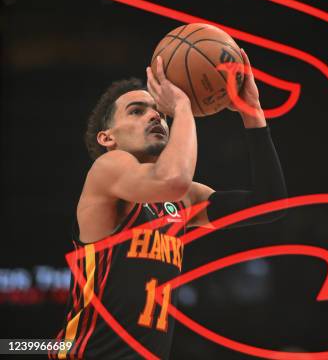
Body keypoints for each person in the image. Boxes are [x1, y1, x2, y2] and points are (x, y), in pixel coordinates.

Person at [49, 49, 287, 359]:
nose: (154, 116)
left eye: (160, 112)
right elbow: (172, 180)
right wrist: (183, 106)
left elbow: (270, 206)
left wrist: (252, 113)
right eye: (136, 111)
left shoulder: (180, 200)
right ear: (107, 138)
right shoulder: (108, 169)